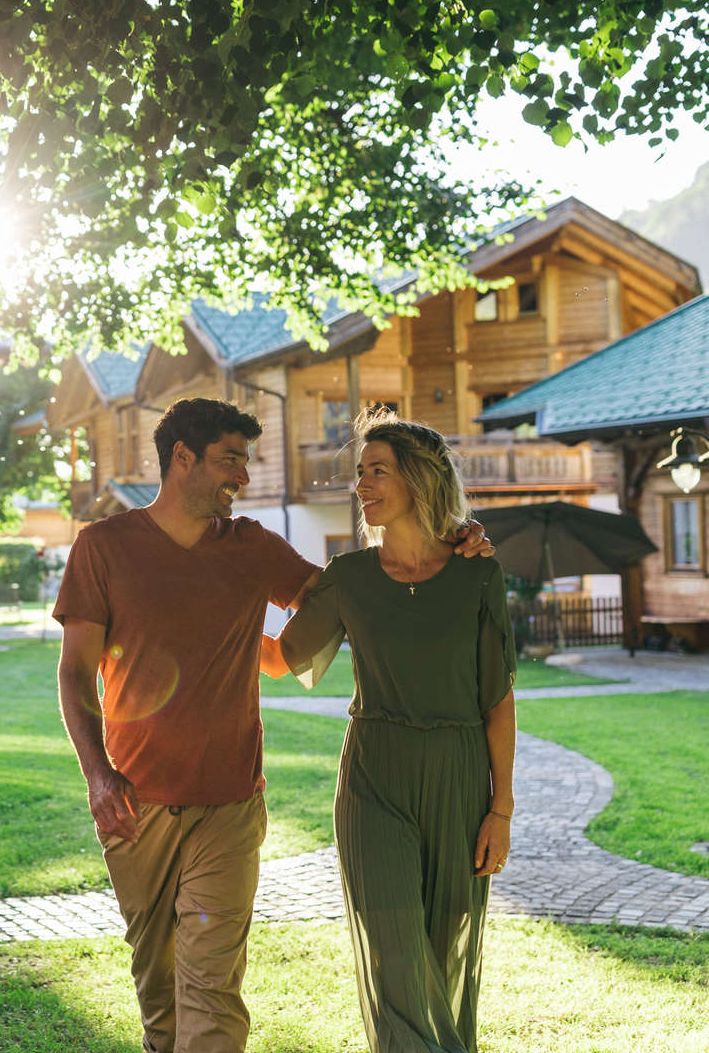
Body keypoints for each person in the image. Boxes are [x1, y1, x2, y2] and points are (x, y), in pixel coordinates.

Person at [54, 397, 490, 1053]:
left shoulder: (251, 548)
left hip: (231, 806)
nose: (244, 477)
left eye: (246, 462)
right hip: (134, 808)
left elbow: (353, 595)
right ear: (182, 459)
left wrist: (447, 547)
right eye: (230, 459)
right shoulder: (102, 549)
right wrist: (98, 776)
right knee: (160, 996)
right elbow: (74, 673)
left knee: (211, 989)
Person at [263, 410, 516, 1053]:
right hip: (373, 776)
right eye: (359, 473)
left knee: (443, 948)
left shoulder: (477, 573)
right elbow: (280, 658)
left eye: (378, 470)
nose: (362, 485)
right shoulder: (348, 578)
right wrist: (203, 619)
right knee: (396, 953)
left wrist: (501, 810)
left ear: (421, 479)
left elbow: (498, 698)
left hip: (459, 776)